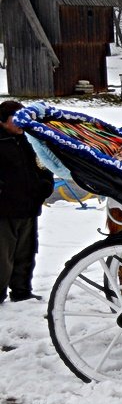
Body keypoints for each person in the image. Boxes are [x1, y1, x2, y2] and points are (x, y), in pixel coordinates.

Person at [0, 101, 54, 304]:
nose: (22, 124)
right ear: (3, 121)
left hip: (29, 207)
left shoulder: (30, 140)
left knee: (26, 253)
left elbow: (44, 164)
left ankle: (21, 291)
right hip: (4, 210)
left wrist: (45, 185)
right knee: (3, 256)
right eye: (16, 120)